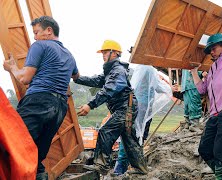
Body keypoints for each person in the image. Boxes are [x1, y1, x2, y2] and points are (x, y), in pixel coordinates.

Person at [3, 16, 79, 180]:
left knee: (12, 142)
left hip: (39, 101)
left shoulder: (40, 45)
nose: (35, 37)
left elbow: (25, 79)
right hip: (59, 107)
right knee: (36, 154)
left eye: (36, 32)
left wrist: (12, 68)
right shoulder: (69, 55)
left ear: (49, 31)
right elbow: (76, 75)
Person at [73, 40, 147, 175]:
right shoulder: (111, 71)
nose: (103, 55)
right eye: (102, 52)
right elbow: (96, 80)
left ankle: (101, 165)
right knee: (129, 139)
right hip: (127, 108)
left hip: (125, 108)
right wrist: (77, 78)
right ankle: (141, 169)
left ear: (115, 53)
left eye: (106, 52)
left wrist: (90, 104)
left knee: (105, 132)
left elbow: (109, 89)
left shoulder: (117, 71)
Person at [190, 5, 222, 179]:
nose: (211, 52)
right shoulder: (212, 69)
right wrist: (193, 73)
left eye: (213, 48)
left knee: (221, 150)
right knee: (204, 149)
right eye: (210, 49)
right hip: (214, 114)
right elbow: (201, 90)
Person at [113, 65, 172, 175]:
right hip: (142, 106)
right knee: (136, 136)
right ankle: (129, 167)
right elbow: (157, 85)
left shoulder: (140, 68)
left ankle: (121, 169)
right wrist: (170, 89)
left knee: (130, 135)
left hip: (136, 105)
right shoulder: (148, 69)